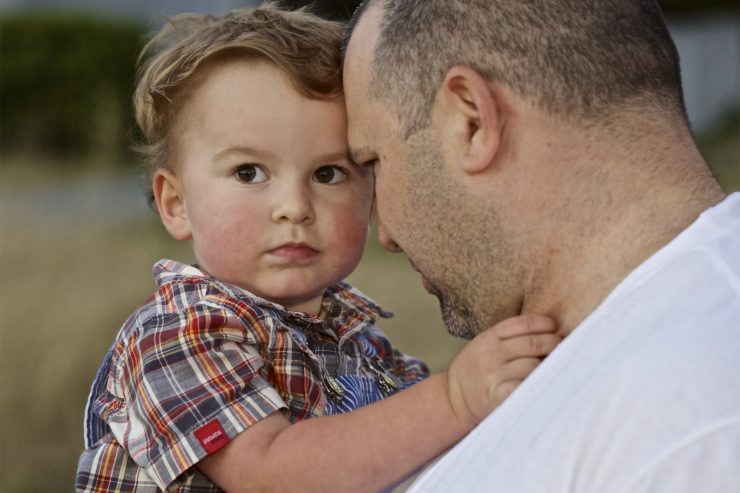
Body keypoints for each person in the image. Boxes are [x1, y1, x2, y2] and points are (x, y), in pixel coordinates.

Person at [75, 4, 561, 492]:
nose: (294, 207)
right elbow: (271, 474)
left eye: (328, 174)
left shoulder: (361, 344)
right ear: (176, 204)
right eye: (249, 172)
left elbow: (417, 447)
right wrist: (456, 399)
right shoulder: (179, 332)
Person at [342, 0, 740, 491]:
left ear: (471, 121)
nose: (385, 233)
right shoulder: (659, 379)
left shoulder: (692, 422)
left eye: (375, 163)